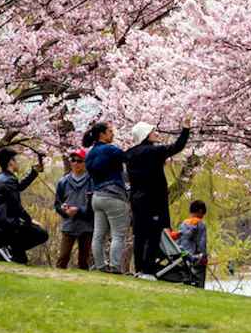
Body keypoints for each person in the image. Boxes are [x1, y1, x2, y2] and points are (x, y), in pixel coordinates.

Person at [125, 115, 191, 274]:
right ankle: (148, 269)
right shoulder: (155, 150)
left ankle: (139, 268)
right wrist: (186, 129)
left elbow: (141, 169)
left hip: (137, 198)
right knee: (153, 233)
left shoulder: (130, 154)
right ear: (145, 134)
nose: (156, 133)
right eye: (153, 131)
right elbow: (178, 146)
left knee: (139, 234)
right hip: (153, 199)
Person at [0, 148, 48, 263]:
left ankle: (6, 250)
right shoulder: (9, 180)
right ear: (11, 162)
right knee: (42, 234)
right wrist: (30, 220)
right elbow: (16, 207)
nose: (18, 163)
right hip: (6, 223)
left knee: (21, 260)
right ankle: (3, 249)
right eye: (16, 160)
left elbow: (19, 187)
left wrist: (34, 172)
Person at [83, 122, 128, 273]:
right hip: (114, 196)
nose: (113, 134)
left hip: (97, 197)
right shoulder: (110, 149)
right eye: (110, 131)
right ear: (102, 134)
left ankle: (101, 266)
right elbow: (127, 157)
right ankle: (115, 266)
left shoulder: (89, 155)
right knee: (118, 233)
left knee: (98, 235)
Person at [53, 148, 93, 270]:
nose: (75, 163)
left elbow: (94, 207)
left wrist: (79, 210)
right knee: (63, 258)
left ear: (85, 163)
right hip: (69, 226)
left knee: (84, 261)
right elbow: (56, 204)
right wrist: (63, 209)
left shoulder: (91, 182)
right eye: (73, 160)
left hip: (86, 227)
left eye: (79, 161)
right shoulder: (63, 182)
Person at [175, 199, 208, 288]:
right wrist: (203, 257)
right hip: (195, 259)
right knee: (199, 280)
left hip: (183, 256)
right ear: (200, 211)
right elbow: (201, 243)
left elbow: (180, 241)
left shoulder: (183, 224)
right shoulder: (200, 224)